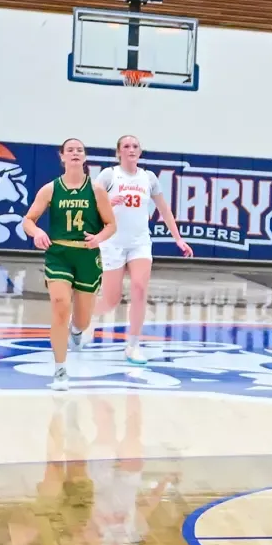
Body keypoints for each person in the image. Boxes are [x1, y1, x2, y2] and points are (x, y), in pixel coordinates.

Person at [20, 138, 118, 391]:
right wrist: (37, 233)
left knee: (83, 320)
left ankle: (77, 330)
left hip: (87, 256)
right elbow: (28, 220)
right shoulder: (50, 189)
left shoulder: (96, 190)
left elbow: (111, 225)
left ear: (85, 158)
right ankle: (60, 369)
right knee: (60, 305)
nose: (75, 153)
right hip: (59, 253)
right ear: (62, 157)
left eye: (80, 150)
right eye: (70, 150)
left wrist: (99, 238)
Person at [92, 135, 192, 365]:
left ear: (140, 151)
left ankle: (133, 346)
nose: (131, 149)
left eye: (135, 146)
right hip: (113, 242)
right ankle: (79, 317)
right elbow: (91, 203)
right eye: (126, 146)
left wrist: (178, 239)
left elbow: (164, 210)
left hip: (139, 242)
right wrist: (109, 201)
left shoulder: (149, 178)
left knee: (139, 288)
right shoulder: (109, 175)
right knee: (110, 301)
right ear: (118, 152)